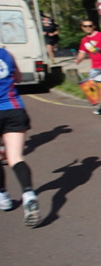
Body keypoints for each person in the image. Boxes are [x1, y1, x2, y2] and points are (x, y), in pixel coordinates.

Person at [0, 46, 41, 226]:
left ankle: (3, 196)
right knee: (15, 157)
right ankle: (28, 193)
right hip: (13, 108)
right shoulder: (7, 54)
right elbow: (18, 77)